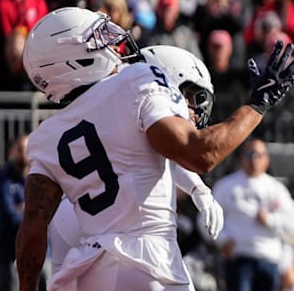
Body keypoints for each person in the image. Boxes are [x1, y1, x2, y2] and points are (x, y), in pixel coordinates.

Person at [14, 7, 294, 291]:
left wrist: (27, 288)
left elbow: (33, 228)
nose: (114, 41)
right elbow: (201, 153)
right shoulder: (135, 81)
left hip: (86, 271)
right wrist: (257, 104)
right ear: (71, 59)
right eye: (99, 37)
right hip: (149, 264)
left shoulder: (45, 136)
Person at [49, 45, 225, 273]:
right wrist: (198, 190)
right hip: (111, 228)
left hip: (75, 214)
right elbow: (169, 150)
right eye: (189, 94)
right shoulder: (138, 105)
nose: (193, 111)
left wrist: (198, 190)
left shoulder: (107, 101)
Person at [213, 138, 294, 291]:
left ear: (267, 159)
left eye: (259, 155)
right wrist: (222, 240)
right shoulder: (225, 186)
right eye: (250, 155)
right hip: (238, 257)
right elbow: (207, 220)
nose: (254, 160)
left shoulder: (276, 189)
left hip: (268, 257)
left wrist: (270, 220)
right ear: (242, 157)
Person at [0, 134, 28, 290]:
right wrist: (33, 212)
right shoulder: (3, 181)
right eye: (20, 149)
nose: (25, 154)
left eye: (28, 149)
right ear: (10, 152)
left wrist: (24, 208)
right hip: (10, 254)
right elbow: (9, 215)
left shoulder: (37, 179)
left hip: (39, 255)